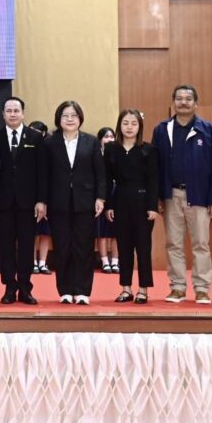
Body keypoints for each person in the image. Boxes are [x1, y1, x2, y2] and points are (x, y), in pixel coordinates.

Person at [152, 85, 212, 305]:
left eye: (188, 99)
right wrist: (157, 197)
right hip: (170, 195)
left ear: (195, 103)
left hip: (199, 196)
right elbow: (155, 166)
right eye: (179, 98)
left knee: (201, 244)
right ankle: (177, 287)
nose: (183, 102)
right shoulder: (162, 129)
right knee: (173, 244)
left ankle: (202, 289)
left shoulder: (208, 129)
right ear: (173, 102)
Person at [0, 97, 47, 305]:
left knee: (27, 247)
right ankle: (10, 287)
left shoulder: (36, 137)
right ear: (3, 114)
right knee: (6, 247)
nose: (12, 114)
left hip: (29, 203)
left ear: (23, 113)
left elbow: (42, 171)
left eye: (16, 110)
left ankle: (25, 288)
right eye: (9, 111)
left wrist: (41, 200)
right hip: (2, 202)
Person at [44, 101, 106, 305]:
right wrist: (42, 201)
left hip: (85, 202)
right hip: (57, 202)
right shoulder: (49, 142)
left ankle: (82, 291)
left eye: (74, 115)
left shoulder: (91, 141)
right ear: (58, 119)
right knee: (62, 247)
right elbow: (43, 174)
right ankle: (65, 290)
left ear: (80, 118)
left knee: (84, 247)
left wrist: (100, 197)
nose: (70, 119)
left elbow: (100, 172)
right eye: (65, 116)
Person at [104, 109, 159, 305]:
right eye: (125, 123)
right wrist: (109, 204)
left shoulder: (148, 149)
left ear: (140, 126)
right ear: (119, 125)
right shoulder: (111, 149)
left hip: (143, 202)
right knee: (124, 247)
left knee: (143, 248)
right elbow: (106, 179)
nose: (129, 127)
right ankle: (125, 288)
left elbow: (153, 180)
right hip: (120, 201)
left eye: (134, 124)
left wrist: (153, 206)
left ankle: (143, 289)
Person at [28, 120, 53, 274]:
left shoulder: (49, 147)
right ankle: (32, 263)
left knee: (45, 233)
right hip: (30, 198)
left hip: (48, 197)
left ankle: (43, 262)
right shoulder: (26, 147)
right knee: (32, 233)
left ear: (44, 133)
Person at [95, 127, 119, 274]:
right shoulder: (96, 154)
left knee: (117, 230)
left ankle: (115, 261)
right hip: (100, 195)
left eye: (111, 136)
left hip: (117, 194)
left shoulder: (118, 153)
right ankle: (104, 261)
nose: (109, 139)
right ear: (100, 140)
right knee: (101, 231)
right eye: (106, 136)